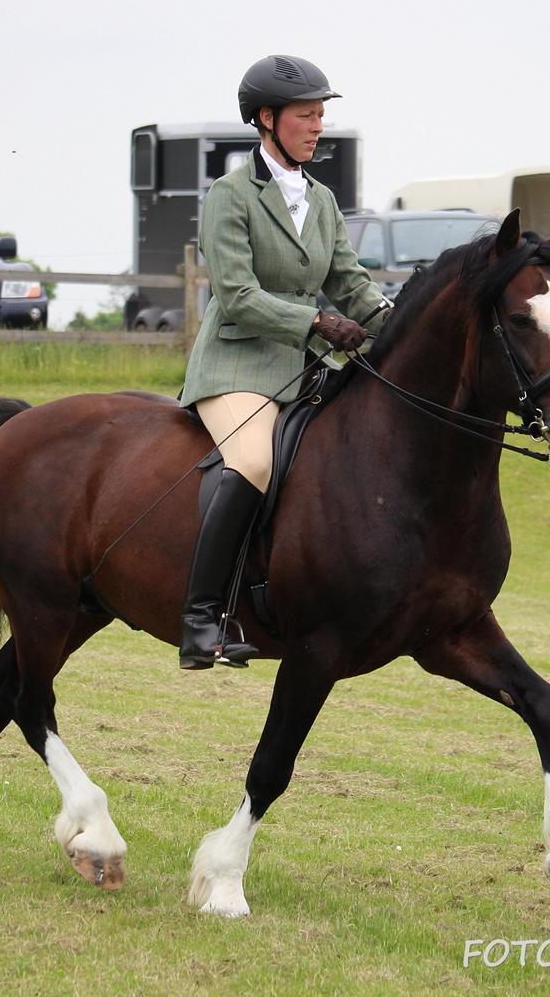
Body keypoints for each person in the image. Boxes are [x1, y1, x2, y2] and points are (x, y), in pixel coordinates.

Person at [177, 54, 393, 670]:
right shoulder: (229, 194)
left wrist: (400, 327)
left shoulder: (321, 200)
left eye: (321, 114)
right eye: (306, 114)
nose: (317, 125)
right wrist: (317, 321)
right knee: (251, 460)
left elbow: (350, 284)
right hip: (237, 365)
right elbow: (237, 296)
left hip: (302, 368)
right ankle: (200, 620)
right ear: (267, 119)